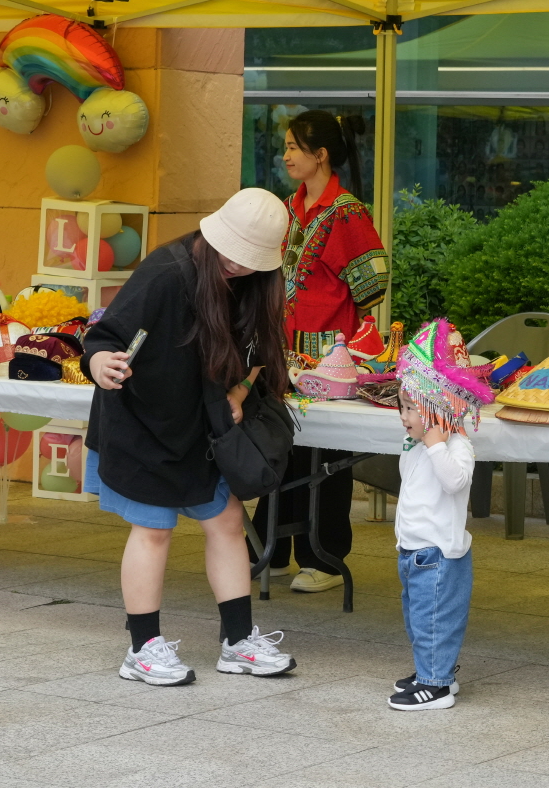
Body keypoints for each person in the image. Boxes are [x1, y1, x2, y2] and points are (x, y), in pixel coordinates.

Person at [82, 187, 296, 686]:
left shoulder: (258, 281)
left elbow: (263, 347)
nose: (238, 266)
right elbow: (104, 337)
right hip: (142, 421)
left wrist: (240, 393)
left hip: (203, 424)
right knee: (153, 530)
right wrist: (101, 365)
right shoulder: (165, 272)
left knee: (225, 520)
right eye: (232, 253)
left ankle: (238, 641)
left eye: (250, 260)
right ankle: (143, 649)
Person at [252, 109, 389, 594]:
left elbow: (372, 280)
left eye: (293, 146)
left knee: (324, 454)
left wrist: (331, 316)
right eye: (286, 146)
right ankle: (276, 547)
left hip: (328, 357)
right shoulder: (291, 208)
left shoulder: (345, 212)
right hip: (284, 351)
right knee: (282, 444)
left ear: (320, 154)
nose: (285, 154)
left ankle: (325, 557)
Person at [387, 380, 475, 711]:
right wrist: (425, 441)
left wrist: (438, 444)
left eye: (412, 408)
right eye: (402, 407)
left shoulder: (456, 446)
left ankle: (436, 686)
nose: (404, 416)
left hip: (438, 555)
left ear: (440, 411)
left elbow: (455, 482)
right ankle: (434, 672)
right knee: (418, 620)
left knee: (435, 621)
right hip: (412, 551)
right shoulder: (416, 444)